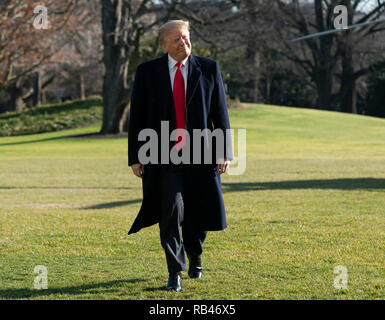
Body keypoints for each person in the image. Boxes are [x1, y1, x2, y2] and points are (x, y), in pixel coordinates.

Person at [127, 20, 232, 291]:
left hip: (201, 152)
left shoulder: (208, 69)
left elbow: (220, 113)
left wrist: (224, 152)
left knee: (199, 209)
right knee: (171, 209)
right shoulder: (147, 72)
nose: (183, 42)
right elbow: (137, 116)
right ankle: (175, 270)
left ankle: (195, 255)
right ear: (164, 45)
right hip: (162, 153)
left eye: (185, 37)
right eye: (176, 39)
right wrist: (135, 156)